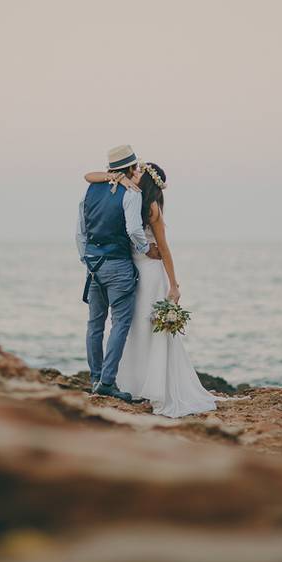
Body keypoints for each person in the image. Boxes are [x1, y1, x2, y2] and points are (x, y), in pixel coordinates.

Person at [84, 161, 222, 417]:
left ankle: (155, 385)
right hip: (130, 270)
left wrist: (174, 284)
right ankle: (131, 382)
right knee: (132, 326)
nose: (133, 174)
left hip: (150, 272)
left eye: (138, 172)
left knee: (147, 327)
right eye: (133, 170)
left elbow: (164, 248)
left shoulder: (151, 208)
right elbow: (89, 176)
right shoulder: (128, 198)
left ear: (146, 179)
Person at [75, 145, 161, 402]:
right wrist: (146, 249)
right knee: (120, 323)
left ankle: (95, 378)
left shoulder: (90, 190)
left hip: (93, 264)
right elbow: (134, 229)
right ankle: (108, 382)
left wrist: (86, 258)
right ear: (132, 168)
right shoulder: (130, 192)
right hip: (118, 264)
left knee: (95, 324)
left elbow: (80, 231)